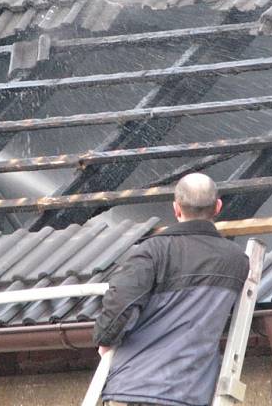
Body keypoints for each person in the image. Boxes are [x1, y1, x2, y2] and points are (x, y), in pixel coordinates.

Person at [93, 172, 249, 406]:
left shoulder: (151, 252)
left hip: (134, 389)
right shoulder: (237, 260)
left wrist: (105, 339)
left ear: (176, 208)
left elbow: (120, 305)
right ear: (217, 206)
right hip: (193, 393)